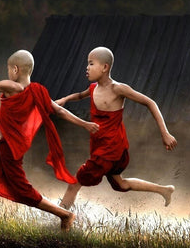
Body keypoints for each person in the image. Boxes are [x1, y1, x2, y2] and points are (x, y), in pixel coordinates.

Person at [0, 50, 99, 231]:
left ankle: (65, 215)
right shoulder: (38, 91)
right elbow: (59, 111)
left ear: (15, 69)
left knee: (23, 191)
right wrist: (84, 124)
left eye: (8, 69)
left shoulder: (12, 87)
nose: (8, 73)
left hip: (9, 149)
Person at [55, 46, 177, 210]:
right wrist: (64, 99)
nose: (87, 67)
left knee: (75, 182)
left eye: (91, 64)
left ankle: (61, 220)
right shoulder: (93, 89)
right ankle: (165, 190)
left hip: (110, 149)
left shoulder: (118, 89)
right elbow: (79, 95)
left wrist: (165, 133)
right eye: (87, 64)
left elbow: (150, 103)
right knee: (121, 184)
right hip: (103, 147)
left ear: (105, 67)